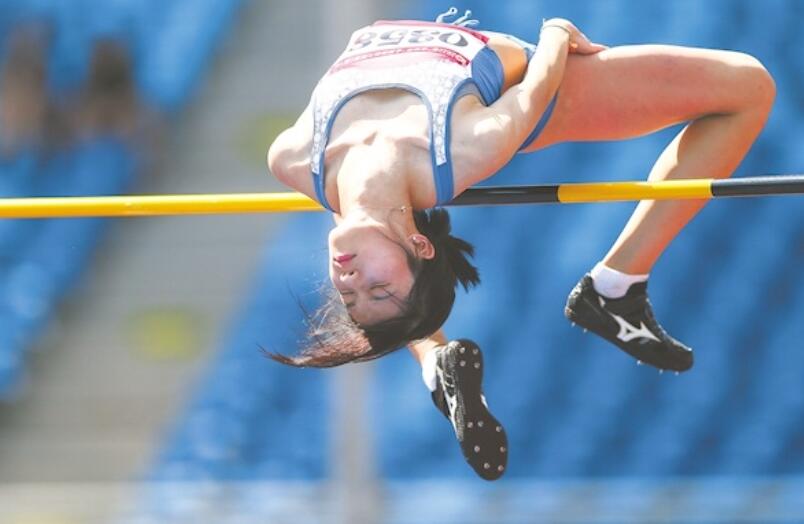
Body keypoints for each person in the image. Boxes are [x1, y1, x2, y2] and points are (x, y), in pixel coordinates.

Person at [265, 8, 775, 480]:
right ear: (422, 247)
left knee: (364, 210)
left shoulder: (292, 157)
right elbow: (533, 92)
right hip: (524, 84)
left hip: (401, 157)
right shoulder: (466, 148)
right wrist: (557, 30)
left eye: (350, 296)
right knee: (748, 87)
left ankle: (434, 365)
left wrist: (373, 242)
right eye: (377, 289)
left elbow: (374, 230)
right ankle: (617, 285)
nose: (350, 281)